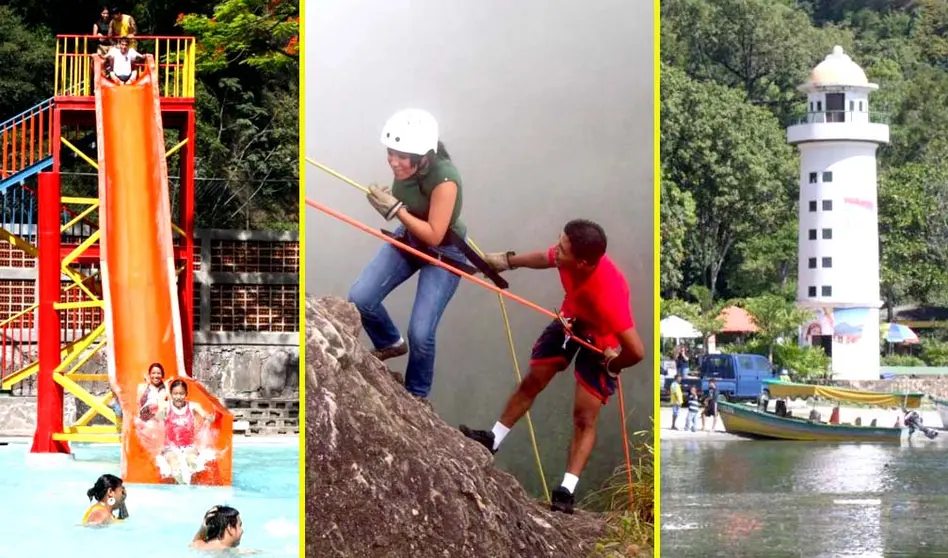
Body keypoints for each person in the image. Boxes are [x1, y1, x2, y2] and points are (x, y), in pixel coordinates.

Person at [459, 219, 645, 514]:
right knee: (534, 379)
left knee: (584, 415)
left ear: (582, 262)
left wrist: (613, 364)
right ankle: (493, 438)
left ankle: (566, 490)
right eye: (559, 243)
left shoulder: (608, 293)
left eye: (562, 248)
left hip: (601, 341)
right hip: (571, 321)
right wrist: (507, 261)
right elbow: (543, 258)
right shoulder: (567, 256)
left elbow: (636, 351)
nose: (555, 251)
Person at [347, 108, 472, 402]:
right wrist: (390, 206)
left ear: (423, 156)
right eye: (391, 153)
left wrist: (397, 210)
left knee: (421, 332)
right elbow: (409, 213)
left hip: (444, 252)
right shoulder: (403, 170)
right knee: (360, 298)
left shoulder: (445, 179)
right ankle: (390, 342)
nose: (394, 161)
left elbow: (435, 234)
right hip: (411, 239)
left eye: (402, 156)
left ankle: (416, 396)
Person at [157, 379, 218, 484]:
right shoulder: (167, 406)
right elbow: (159, 414)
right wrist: (161, 414)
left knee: (192, 461)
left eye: (181, 393)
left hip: (189, 446)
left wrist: (209, 417)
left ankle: (191, 484)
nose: (178, 397)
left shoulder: (192, 406)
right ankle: (181, 486)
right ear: (171, 394)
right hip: (170, 447)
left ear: (186, 394)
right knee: (174, 463)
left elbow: (204, 415)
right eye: (175, 394)